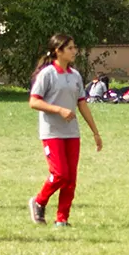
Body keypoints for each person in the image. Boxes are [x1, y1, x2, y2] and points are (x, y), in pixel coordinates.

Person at [28, 34, 103, 227]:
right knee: (60, 174)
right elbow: (34, 101)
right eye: (70, 48)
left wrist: (95, 132)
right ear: (58, 51)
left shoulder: (75, 75)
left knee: (70, 179)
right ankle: (39, 201)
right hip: (52, 132)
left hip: (72, 133)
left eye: (74, 47)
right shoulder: (47, 74)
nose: (74, 51)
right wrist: (59, 110)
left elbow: (82, 104)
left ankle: (62, 219)